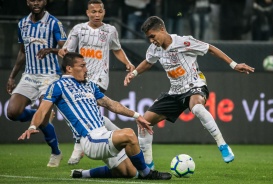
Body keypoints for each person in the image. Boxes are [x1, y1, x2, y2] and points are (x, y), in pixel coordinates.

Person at [124, 16, 255, 166]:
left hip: (194, 86)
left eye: (152, 36)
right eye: (148, 38)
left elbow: (210, 48)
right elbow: (148, 62)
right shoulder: (155, 48)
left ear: (162, 29)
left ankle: (222, 145)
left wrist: (234, 65)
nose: (151, 40)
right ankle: (148, 167)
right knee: (143, 123)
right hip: (175, 92)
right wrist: (133, 74)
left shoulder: (184, 42)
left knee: (197, 108)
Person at [18, 52, 172, 180]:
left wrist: (137, 115)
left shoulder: (90, 85)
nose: (86, 69)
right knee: (129, 135)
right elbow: (42, 110)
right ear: (69, 68)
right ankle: (147, 174)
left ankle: (82, 174)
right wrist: (32, 126)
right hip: (90, 139)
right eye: (82, 66)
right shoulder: (57, 86)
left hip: (102, 134)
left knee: (128, 172)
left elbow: (111, 104)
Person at [58, 0, 135, 165]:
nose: (97, 15)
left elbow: (117, 49)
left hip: (99, 78)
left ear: (104, 12)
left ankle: (79, 144)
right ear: (87, 13)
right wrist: (63, 52)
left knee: (89, 106)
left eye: (100, 11)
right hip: (80, 77)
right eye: (93, 12)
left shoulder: (110, 30)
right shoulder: (79, 29)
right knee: (89, 112)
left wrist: (127, 63)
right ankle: (117, 133)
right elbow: (67, 52)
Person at [6, 0, 67, 167]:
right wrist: (12, 76)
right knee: (11, 112)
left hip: (50, 76)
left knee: (44, 119)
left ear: (45, 1)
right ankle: (37, 114)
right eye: (32, 0)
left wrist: (51, 49)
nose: (36, 3)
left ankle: (56, 152)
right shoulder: (22, 23)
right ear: (27, 2)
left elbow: (66, 50)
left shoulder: (54, 23)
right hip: (29, 75)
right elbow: (22, 52)